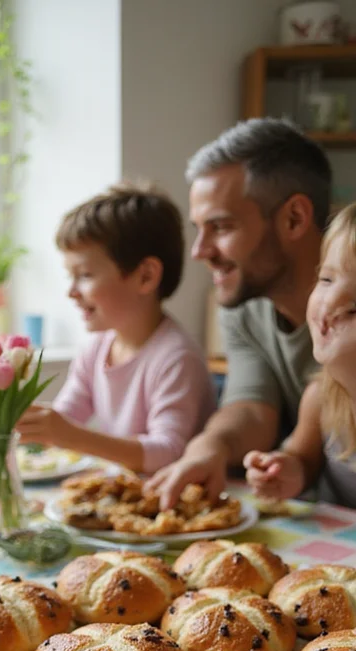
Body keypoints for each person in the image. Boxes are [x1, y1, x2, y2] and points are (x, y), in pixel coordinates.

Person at [145, 118, 331, 507]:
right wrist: (208, 447)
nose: (199, 251)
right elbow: (251, 406)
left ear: (294, 218)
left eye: (221, 227)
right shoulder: (244, 304)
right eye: (199, 228)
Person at [17, 183, 215, 474]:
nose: (71, 292)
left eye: (84, 275)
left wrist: (68, 435)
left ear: (145, 277)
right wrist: (24, 423)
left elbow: (168, 452)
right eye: (70, 276)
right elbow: (65, 417)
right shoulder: (96, 349)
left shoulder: (176, 357)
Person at [245, 202, 356, 508]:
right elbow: (304, 461)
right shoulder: (321, 396)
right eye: (326, 279)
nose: (331, 301)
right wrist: (286, 471)